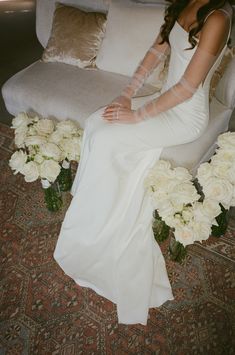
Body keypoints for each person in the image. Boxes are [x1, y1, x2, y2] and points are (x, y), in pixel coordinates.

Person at [53, 0, 233, 325]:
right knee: (96, 122)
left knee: (109, 138)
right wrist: (127, 93)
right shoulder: (185, 4)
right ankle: (91, 200)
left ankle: (103, 216)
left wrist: (136, 115)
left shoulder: (218, 18)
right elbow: (156, 52)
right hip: (164, 100)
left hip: (185, 115)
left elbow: (188, 87)